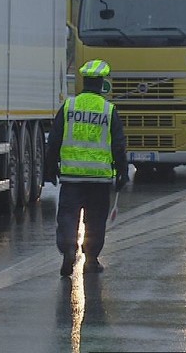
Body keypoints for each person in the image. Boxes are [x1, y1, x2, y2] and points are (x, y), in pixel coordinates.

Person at [45, 59, 129, 277]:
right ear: (102, 83)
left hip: (71, 177)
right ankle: (91, 260)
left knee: (67, 217)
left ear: (83, 81)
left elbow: (53, 140)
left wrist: (49, 168)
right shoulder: (109, 111)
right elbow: (118, 145)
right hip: (99, 180)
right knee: (95, 221)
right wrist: (123, 172)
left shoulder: (69, 107)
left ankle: (68, 251)